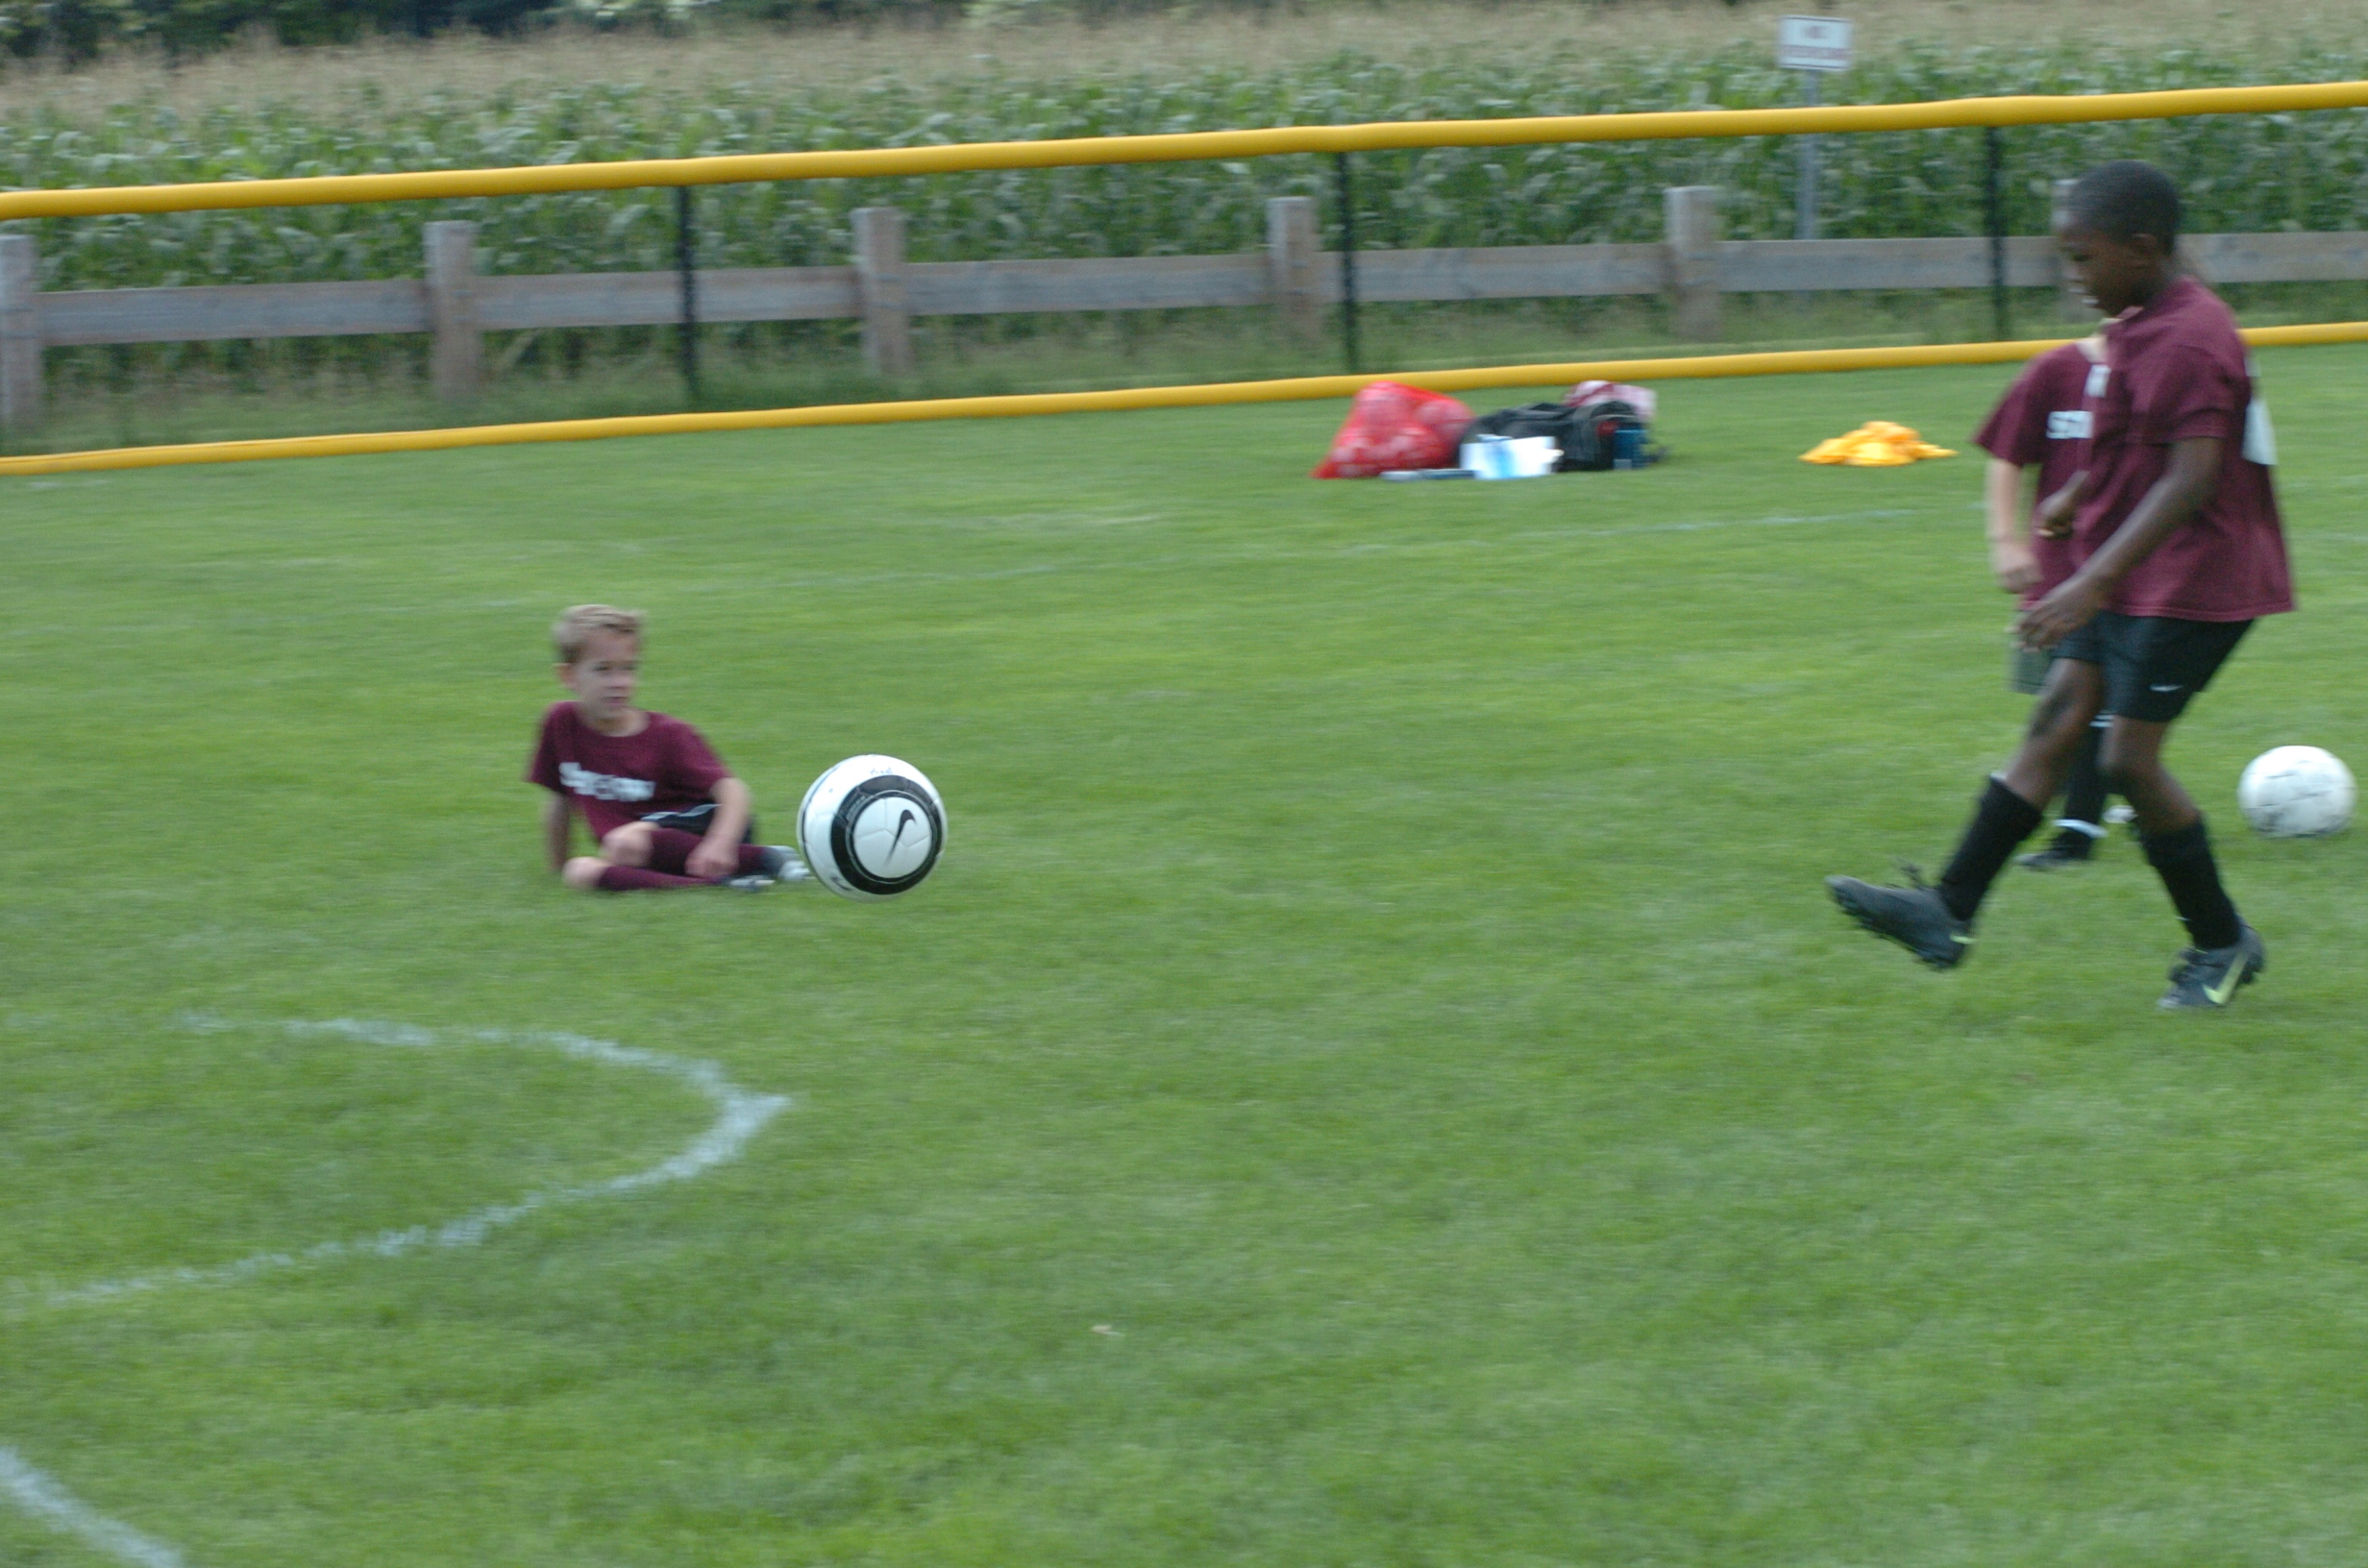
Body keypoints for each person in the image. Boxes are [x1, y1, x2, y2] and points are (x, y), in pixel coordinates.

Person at [1827, 159, 2292, 1010]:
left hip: (2199, 577)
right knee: (2054, 720)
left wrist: (2091, 582)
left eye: (2083, 258)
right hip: (2136, 566)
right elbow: (2131, 441)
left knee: (2127, 761)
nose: (2073, 276)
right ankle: (1948, 910)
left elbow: (2193, 475)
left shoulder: (2191, 336)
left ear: (2142, 249)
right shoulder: (2139, 322)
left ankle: (2223, 942)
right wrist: (2079, 495)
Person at [528, 604, 810, 893]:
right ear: (568, 676)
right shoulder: (560, 722)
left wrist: (720, 844)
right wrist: (556, 868)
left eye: (628, 668)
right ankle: (716, 886)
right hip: (632, 847)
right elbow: (559, 799)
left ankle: (764, 857)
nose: (619, 683)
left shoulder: (667, 734)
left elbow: (734, 792)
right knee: (580, 871)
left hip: (708, 830)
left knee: (624, 843)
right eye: (603, 670)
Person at [1974, 331, 2119, 870]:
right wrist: (2005, 541)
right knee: (2063, 701)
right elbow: (2007, 455)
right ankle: (2115, 790)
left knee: (2092, 701)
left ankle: (2075, 834)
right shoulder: (2054, 370)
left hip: (2133, 573)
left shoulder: (2160, 368)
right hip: (2061, 573)